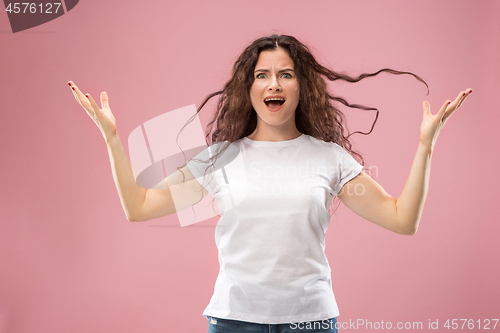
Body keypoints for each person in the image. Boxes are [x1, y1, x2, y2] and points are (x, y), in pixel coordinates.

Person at [67, 34, 472, 333]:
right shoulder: (219, 158)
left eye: (285, 75)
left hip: (310, 322)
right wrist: (113, 139)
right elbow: (139, 206)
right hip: (233, 322)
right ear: (249, 88)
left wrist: (425, 145)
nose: (273, 84)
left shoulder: (328, 158)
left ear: (302, 87)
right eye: (262, 75)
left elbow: (402, 218)